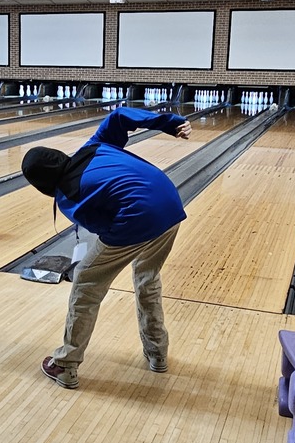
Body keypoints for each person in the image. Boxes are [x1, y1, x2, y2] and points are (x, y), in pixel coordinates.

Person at [21, 106, 191, 388]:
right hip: (171, 204)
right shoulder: (94, 146)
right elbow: (120, 115)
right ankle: (157, 354)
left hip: (140, 216)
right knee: (147, 278)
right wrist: (171, 123)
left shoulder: (67, 198)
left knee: (86, 283)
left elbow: (103, 230)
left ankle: (66, 364)